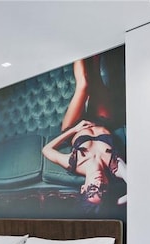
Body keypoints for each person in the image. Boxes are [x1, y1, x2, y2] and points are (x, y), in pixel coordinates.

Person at [42, 57, 127, 213]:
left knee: (84, 85)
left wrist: (73, 131)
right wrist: (117, 201)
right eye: (103, 190)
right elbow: (137, 189)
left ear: (83, 188)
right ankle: (93, 45)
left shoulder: (73, 164)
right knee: (95, 77)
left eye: (93, 188)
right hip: (103, 121)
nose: (99, 183)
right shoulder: (115, 167)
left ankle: (78, 48)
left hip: (74, 126)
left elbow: (46, 150)